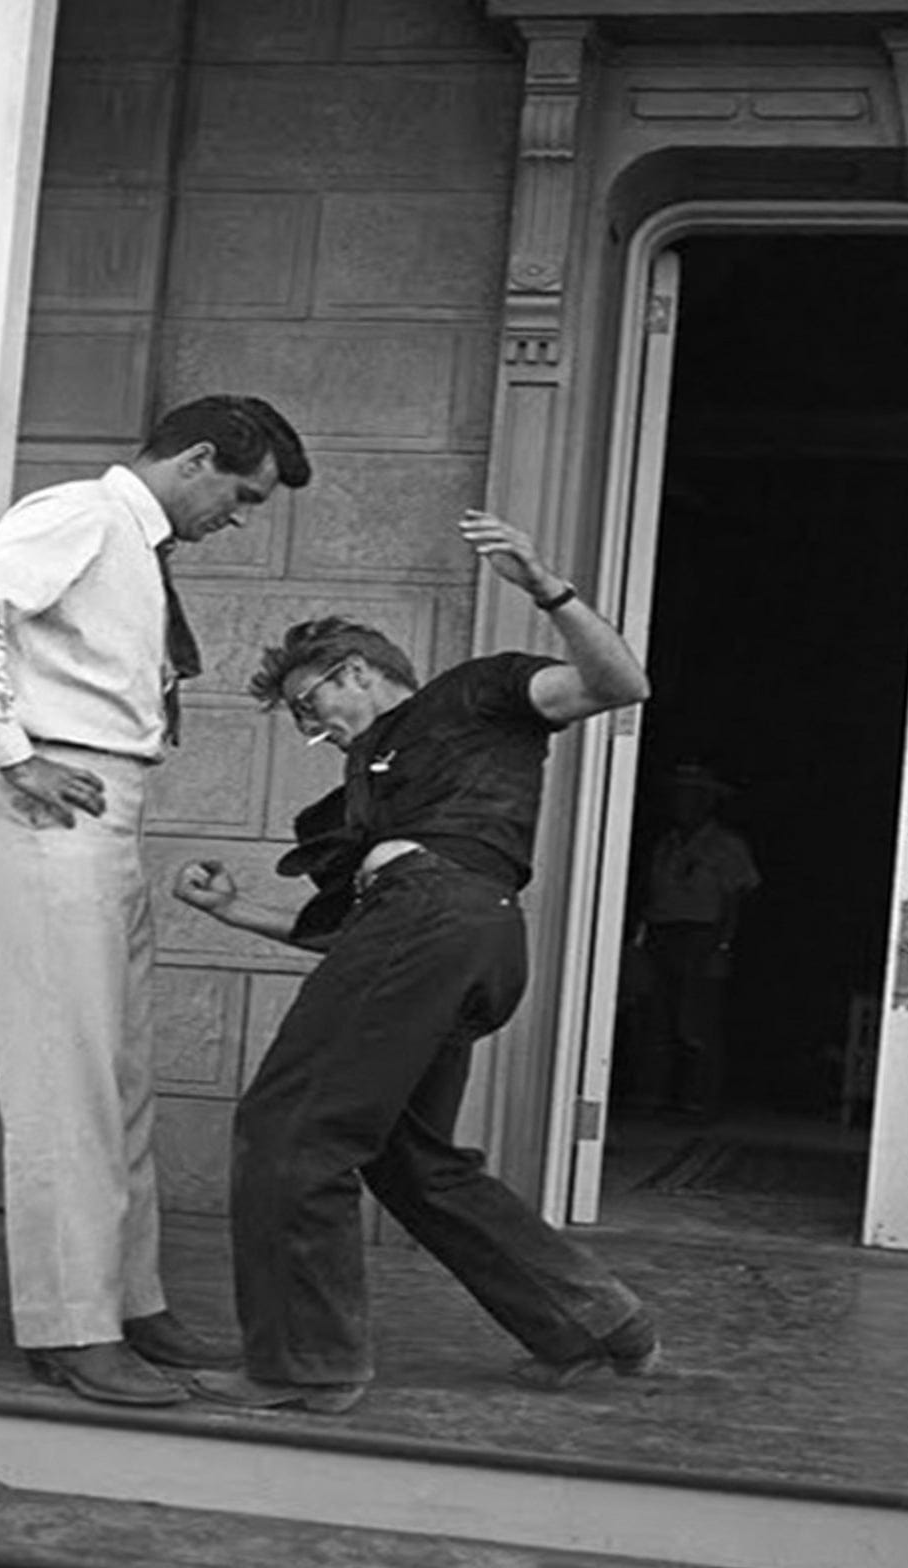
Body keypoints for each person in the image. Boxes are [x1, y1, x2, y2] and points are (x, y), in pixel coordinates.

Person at [172, 510, 659, 1413]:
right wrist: (238, 910)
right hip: (452, 936)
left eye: (312, 709)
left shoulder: (475, 695)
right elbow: (343, 939)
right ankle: (594, 1322)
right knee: (406, 1153)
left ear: (354, 672)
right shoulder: (360, 791)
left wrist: (547, 586)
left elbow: (620, 682)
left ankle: (302, 1367)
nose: (315, 732)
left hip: (437, 916)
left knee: (290, 1126)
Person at [0, 395, 311, 1406]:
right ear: (202, 458)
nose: (240, 517)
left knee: (120, 1065)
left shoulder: (128, 537)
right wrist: (12, 753)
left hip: (105, 795)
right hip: (48, 790)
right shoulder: (83, 512)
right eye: (244, 494)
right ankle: (71, 1327)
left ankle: (129, 1300)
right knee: (67, 1068)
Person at [629, 759, 761, 1117]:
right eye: (678, 796)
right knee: (656, 1017)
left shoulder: (725, 845)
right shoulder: (666, 844)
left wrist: (723, 946)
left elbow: (737, 899)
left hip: (702, 935)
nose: (682, 803)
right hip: (661, 932)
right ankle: (652, 1097)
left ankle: (697, 1102)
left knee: (696, 1021)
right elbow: (650, 896)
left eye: (691, 796)